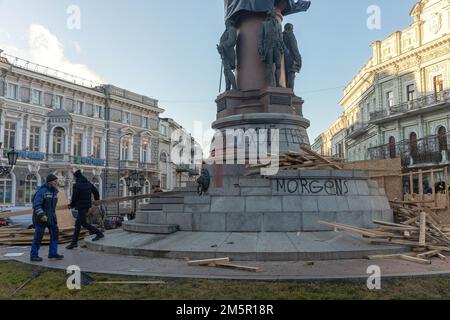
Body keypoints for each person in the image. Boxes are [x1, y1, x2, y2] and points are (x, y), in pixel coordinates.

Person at [66, 170, 104, 250]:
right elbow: (96, 192)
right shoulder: (88, 183)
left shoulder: (77, 185)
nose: (74, 178)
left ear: (76, 177)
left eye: (74, 177)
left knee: (83, 223)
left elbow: (74, 197)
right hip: (87, 206)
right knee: (77, 225)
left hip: (81, 207)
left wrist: (71, 205)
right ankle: (74, 243)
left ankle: (99, 233)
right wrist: (96, 201)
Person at [30, 174, 64, 262]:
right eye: (55, 181)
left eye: (57, 181)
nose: (57, 183)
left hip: (51, 218)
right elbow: (36, 205)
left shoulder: (55, 192)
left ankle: (53, 253)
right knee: (38, 237)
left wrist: (53, 216)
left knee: (55, 235)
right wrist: (42, 215)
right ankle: (34, 255)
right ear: (50, 182)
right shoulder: (42, 191)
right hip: (41, 218)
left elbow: (52, 207)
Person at [258, 9, 285, 87]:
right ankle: (269, 84)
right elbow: (261, 37)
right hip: (268, 46)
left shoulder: (279, 25)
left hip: (277, 46)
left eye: (275, 12)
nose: (275, 13)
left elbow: (280, 37)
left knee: (278, 65)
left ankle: (277, 84)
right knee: (269, 66)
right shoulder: (264, 24)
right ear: (270, 14)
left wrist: (283, 47)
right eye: (273, 12)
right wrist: (260, 47)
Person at [217, 19, 238, 91]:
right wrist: (220, 48)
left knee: (227, 70)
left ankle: (234, 87)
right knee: (226, 71)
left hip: (229, 53)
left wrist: (222, 45)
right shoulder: (227, 31)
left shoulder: (232, 29)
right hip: (224, 53)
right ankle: (227, 88)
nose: (225, 24)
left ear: (229, 23)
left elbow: (232, 41)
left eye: (226, 23)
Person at [283, 23, 302, 89]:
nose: (292, 30)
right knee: (291, 75)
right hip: (292, 58)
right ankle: (290, 92)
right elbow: (294, 48)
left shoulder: (282, 35)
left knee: (286, 76)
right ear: (289, 28)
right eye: (292, 28)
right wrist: (298, 59)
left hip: (284, 59)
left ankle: (286, 91)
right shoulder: (291, 35)